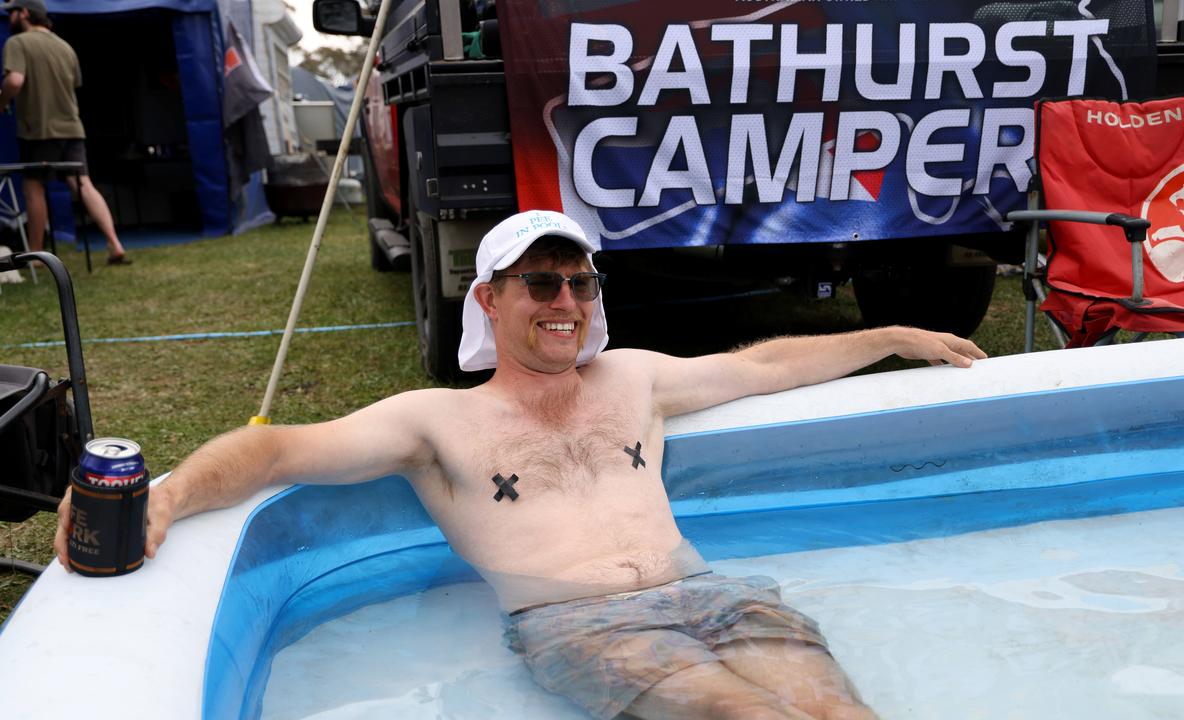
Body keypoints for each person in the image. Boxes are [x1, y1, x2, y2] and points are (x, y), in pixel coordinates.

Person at [55, 210, 986, 719]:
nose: (566, 301)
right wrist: (169, 493)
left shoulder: (633, 376)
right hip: (582, 628)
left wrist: (894, 333)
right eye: (541, 282)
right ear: (492, 299)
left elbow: (764, 364)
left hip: (713, 591)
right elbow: (276, 450)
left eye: (580, 282)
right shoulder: (438, 420)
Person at [0, 0, 129, 265]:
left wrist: (1, 102)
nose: (9, 16)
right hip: (72, 127)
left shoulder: (18, 43)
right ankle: (115, 244)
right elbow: (74, 84)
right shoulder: (65, 46)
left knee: (33, 188)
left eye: (12, 11)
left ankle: (36, 255)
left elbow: (14, 80)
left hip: (39, 130)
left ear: (25, 13)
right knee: (83, 184)